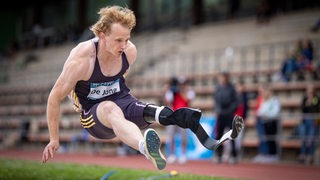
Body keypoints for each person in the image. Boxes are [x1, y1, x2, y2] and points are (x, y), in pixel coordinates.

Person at [41, 5, 226, 171]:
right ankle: (145, 147)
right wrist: (54, 138)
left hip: (121, 99)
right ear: (102, 36)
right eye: (118, 40)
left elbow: (120, 80)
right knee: (109, 108)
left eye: (127, 39)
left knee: (151, 110)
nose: (124, 45)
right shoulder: (82, 59)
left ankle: (185, 120)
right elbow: (54, 98)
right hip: (93, 115)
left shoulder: (129, 52)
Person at [165, 76, 195, 164]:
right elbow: (167, 102)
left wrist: (180, 92)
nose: (182, 86)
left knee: (183, 137)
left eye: (184, 84)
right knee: (171, 136)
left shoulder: (189, 92)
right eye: (180, 84)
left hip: (184, 117)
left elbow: (187, 100)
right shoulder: (172, 92)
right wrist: (168, 91)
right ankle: (172, 154)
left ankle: (183, 154)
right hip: (173, 116)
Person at [213, 71, 239, 164]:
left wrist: (229, 111)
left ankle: (234, 156)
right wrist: (218, 111)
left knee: (231, 135)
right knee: (219, 136)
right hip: (220, 115)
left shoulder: (231, 88)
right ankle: (218, 155)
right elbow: (216, 101)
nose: (222, 79)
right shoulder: (218, 88)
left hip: (229, 115)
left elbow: (235, 102)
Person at [256, 84, 281, 163]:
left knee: (272, 139)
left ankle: (273, 154)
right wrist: (263, 114)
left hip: (272, 122)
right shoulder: (265, 101)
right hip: (265, 122)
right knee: (266, 138)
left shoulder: (275, 100)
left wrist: (266, 115)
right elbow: (260, 111)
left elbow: (275, 112)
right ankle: (268, 154)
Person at [298, 84, 320, 164]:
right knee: (303, 138)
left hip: (313, 120)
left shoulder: (316, 98)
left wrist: (311, 102)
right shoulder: (304, 99)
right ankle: (303, 155)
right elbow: (302, 109)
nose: (309, 90)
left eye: (311, 89)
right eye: (308, 89)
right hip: (305, 120)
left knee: (312, 139)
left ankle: (311, 155)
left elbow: (316, 108)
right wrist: (307, 103)